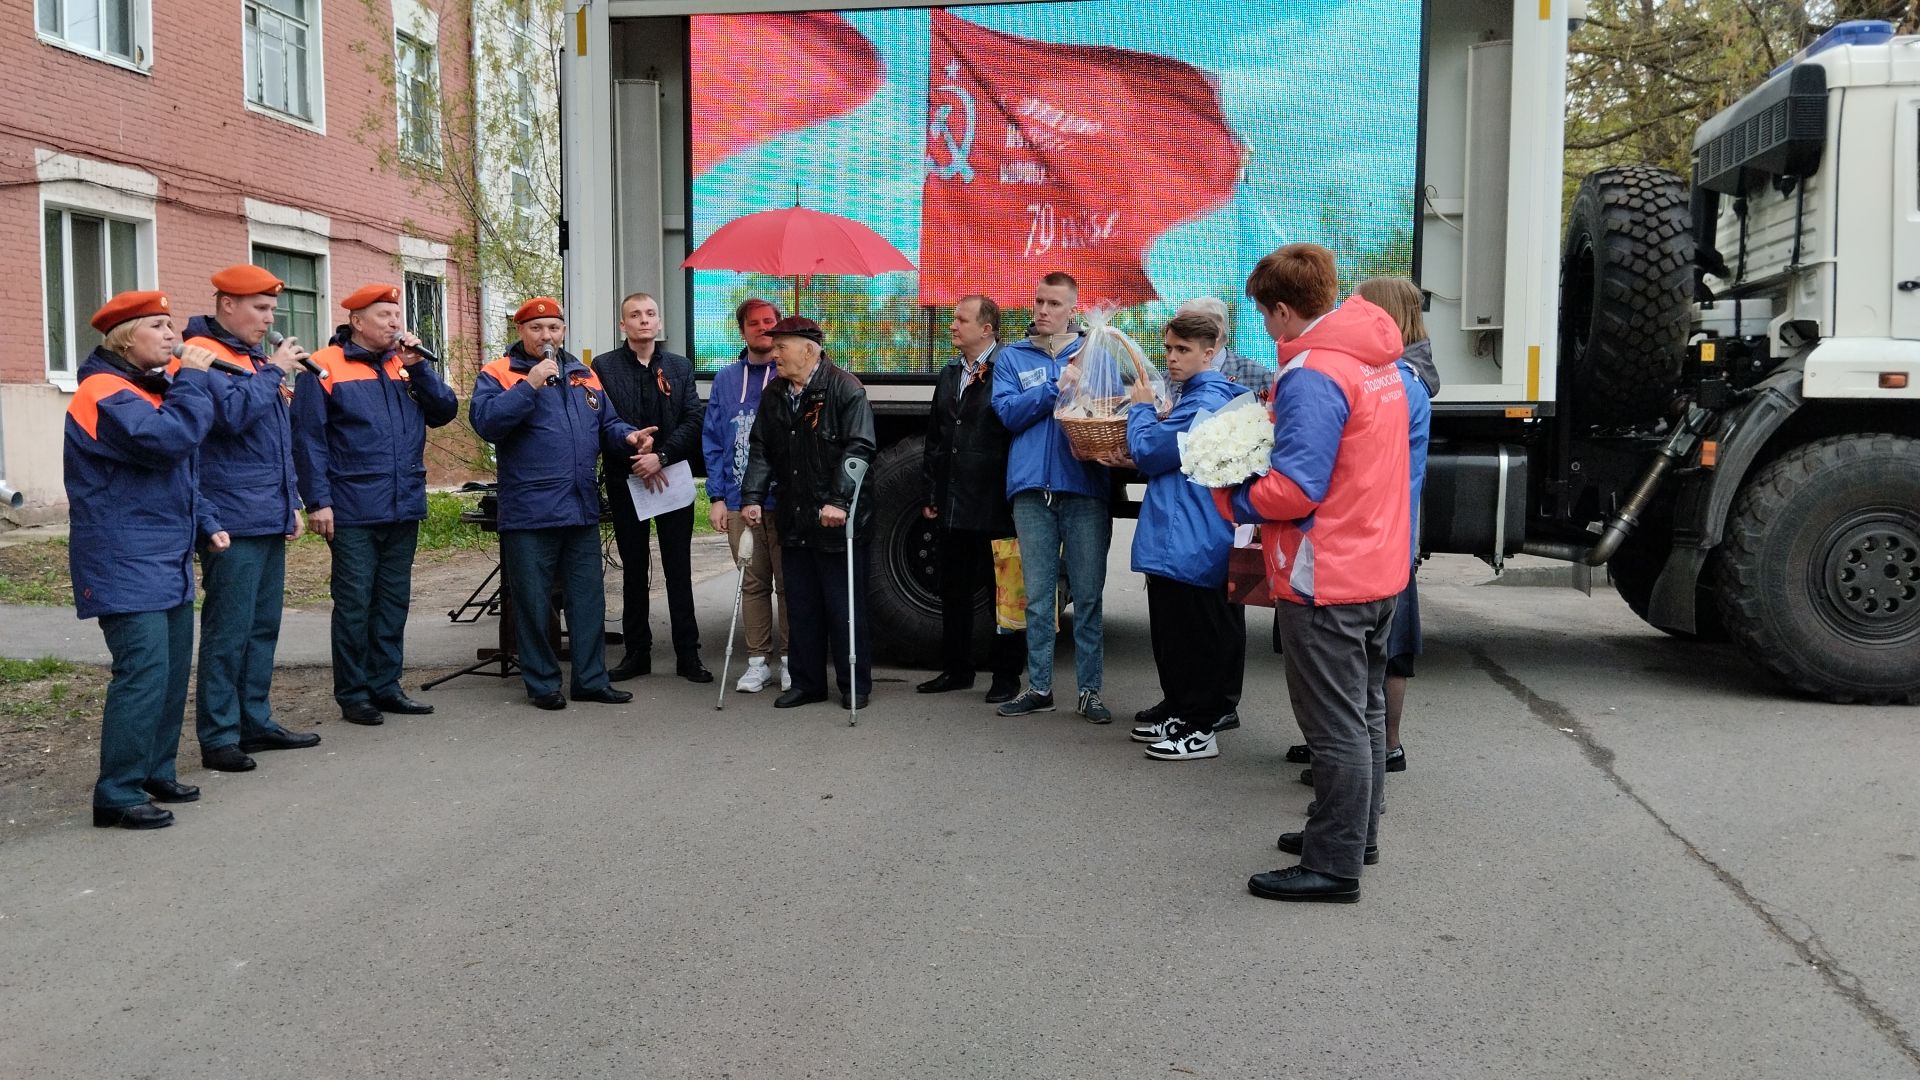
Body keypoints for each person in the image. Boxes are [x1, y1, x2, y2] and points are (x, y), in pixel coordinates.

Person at [1215, 244, 1409, 904]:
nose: (1264, 331)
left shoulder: (1314, 374)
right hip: (1376, 566)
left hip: (1326, 572)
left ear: (1281, 309)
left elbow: (1296, 488)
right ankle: (1354, 835)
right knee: (1366, 711)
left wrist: (1233, 495)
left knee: (1335, 726)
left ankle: (1333, 863)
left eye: (1264, 317)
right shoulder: (1376, 361)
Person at [64, 291, 226, 828]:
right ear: (125, 337)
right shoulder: (104, 391)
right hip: (123, 557)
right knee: (143, 672)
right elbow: (166, 442)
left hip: (165, 555)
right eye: (158, 325)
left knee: (172, 670)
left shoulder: (151, 388)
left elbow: (178, 471)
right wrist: (196, 382)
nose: (172, 334)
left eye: (170, 324)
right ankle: (117, 792)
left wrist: (205, 522)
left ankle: (154, 770)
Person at [469, 297, 651, 711]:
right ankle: (542, 683)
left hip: (580, 507)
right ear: (521, 332)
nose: (546, 336)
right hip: (530, 511)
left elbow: (606, 423)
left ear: (563, 330)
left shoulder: (583, 374)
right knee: (533, 602)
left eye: (553, 328)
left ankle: (590, 679)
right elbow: (487, 423)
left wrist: (629, 437)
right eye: (537, 329)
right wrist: (529, 384)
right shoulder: (499, 373)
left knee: (588, 600)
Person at [291, 283, 460, 726]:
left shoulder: (403, 365)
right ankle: (354, 693)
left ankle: (387, 685)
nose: (394, 324)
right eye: (384, 316)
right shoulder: (322, 368)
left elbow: (444, 412)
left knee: (392, 600)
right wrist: (317, 502)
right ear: (357, 322)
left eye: (396, 316)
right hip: (351, 507)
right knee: (354, 602)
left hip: (403, 503)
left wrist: (420, 369)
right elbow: (308, 441)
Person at [186, 265, 322, 773]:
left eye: (271, 310)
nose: (270, 320)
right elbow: (230, 419)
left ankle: (255, 721)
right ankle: (219, 735)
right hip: (230, 518)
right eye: (260, 309)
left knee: (262, 627)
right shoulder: (204, 357)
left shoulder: (251, 358)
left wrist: (291, 503)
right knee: (228, 631)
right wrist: (274, 372)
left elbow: (275, 445)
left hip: (265, 512)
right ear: (227, 305)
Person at [1118, 312, 1251, 761]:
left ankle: (1198, 727)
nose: (1171, 359)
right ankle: (1185, 712)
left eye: (1183, 350)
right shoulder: (1196, 394)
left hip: (1189, 533)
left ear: (1209, 353)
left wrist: (1138, 409)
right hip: (1185, 530)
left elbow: (1151, 452)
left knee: (1191, 633)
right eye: (1169, 349)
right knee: (1178, 630)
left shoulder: (1204, 399)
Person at [989, 272, 1113, 723]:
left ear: (1072, 310)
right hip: (1029, 492)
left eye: (1054, 304)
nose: (1043, 310)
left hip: (1084, 489)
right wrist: (1054, 386)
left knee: (1088, 596)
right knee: (1038, 598)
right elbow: (1007, 414)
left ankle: (1090, 692)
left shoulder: (1097, 352)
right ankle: (1039, 686)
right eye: (1039, 301)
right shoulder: (1012, 358)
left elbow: (1114, 410)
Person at [739, 316, 877, 710]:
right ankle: (806, 682)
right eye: (774, 345)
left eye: (782, 346)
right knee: (800, 605)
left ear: (809, 349)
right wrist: (752, 495)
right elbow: (762, 449)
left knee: (843, 606)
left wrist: (838, 500)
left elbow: (859, 448)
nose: (774, 353)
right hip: (795, 515)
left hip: (838, 518)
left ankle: (855, 684)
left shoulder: (845, 389)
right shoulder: (775, 394)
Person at [595, 292, 710, 684]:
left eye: (650, 314)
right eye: (635, 315)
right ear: (622, 325)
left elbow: (694, 419)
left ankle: (688, 655)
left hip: (670, 476)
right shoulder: (604, 367)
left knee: (679, 568)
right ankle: (636, 653)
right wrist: (636, 453)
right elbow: (603, 420)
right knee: (634, 568)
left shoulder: (679, 367)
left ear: (659, 323)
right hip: (627, 477)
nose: (644, 320)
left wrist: (659, 456)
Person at [918, 294, 1023, 700]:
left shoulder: (1007, 369)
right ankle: (957, 670)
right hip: (953, 502)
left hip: (998, 503)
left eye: (961, 319)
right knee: (955, 589)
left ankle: (1006, 676)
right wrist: (931, 490)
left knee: (1007, 593)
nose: (952, 325)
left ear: (986, 328)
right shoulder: (949, 374)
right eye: (952, 318)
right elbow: (935, 439)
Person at [702, 298, 790, 694]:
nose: (762, 328)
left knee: (790, 584)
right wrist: (717, 497)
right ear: (743, 331)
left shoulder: (789, 374)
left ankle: (791, 660)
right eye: (754, 323)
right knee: (753, 583)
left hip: (783, 499)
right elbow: (714, 440)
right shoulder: (724, 380)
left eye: (770, 322)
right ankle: (758, 662)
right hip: (739, 500)